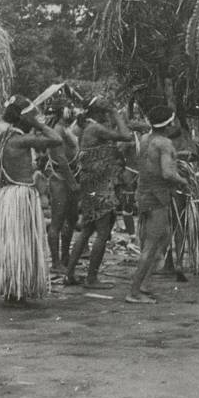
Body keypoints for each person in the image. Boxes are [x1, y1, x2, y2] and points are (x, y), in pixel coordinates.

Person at [0, 95, 64, 303]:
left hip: (7, 196)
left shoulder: (1, 139)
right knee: (21, 244)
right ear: (25, 119)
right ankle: (17, 288)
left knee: (14, 245)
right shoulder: (21, 139)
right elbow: (56, 139)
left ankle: (13, 287)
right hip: (20, 197)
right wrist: (37, 124)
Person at [64, 97, 135, 289]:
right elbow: (126, 136)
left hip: (91, 185)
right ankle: (91, 278)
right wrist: (116, 113)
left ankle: (69, 274)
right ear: (100, 112)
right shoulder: (95, 128)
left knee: (87, 230)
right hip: (100, 186)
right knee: (102, 233)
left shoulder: (86, 126)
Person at [127, 106, 190, 303]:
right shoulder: (164, 144)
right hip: (157, 197)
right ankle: (134, 292)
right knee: (152, 244)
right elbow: (167, 173)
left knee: (162, 238)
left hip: (144, 194)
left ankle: (144, 285)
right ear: (170, 123)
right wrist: (185, 180)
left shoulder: (146, 139)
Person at [39, 109, 80, 269]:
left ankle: (65, 256)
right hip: (60, 178)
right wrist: (72, 183)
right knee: (58, 220)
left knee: (71, 219)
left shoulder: (66, 128)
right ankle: (56, 262)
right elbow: (61, 159)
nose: (74, 111)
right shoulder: (57, 130)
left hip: (70, 176)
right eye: (69, 108)